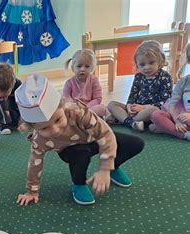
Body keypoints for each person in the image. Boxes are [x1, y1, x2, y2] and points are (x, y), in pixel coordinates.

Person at [15, 74, 144, 206]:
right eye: (45, 128)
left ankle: (113, 168)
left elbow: (106, 135)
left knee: (135, 143)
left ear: (63, 107)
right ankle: (79, 184)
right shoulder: (39, 139)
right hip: (70, 150)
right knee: (81, 153)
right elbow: (35, 164)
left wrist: (105, 168)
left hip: (93, 138)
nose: (55, 129)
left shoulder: (78, 112)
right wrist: (32, 191)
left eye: (58, 119)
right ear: (33, 128)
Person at [107, 40, 173, 131]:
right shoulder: (138, 76)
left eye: (151, 63)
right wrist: (130, 105)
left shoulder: (165, 77)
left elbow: (166, 102)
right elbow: (133, 95)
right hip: (136, 110)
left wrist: (143, 107)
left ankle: (122, 120)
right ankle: (131, 122)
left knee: (152, 110)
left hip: (150, 110)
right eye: (142, 65)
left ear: (160, 60)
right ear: (137, 65)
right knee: (111, 104)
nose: (146, 67)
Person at [150, 44, 190, 141]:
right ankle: (184, 134)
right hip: (180, 117)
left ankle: (168, 129)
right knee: (156, 115)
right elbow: (173, 102)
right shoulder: (184, 81)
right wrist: (177, 120)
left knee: (153, 127)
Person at [63, 49, 109, 119]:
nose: (82, 69)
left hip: (90, 108)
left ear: (92, 68)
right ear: (73, 68)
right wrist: (74, 105)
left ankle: (108, 118)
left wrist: (87, 107)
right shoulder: (69, 83)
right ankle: (82, 119)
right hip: (75, 109)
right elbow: (65, 97)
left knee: (101, 108)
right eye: (79, 66)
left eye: (87, 66)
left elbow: (97, 98)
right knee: (63, 111)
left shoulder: (94, 80)